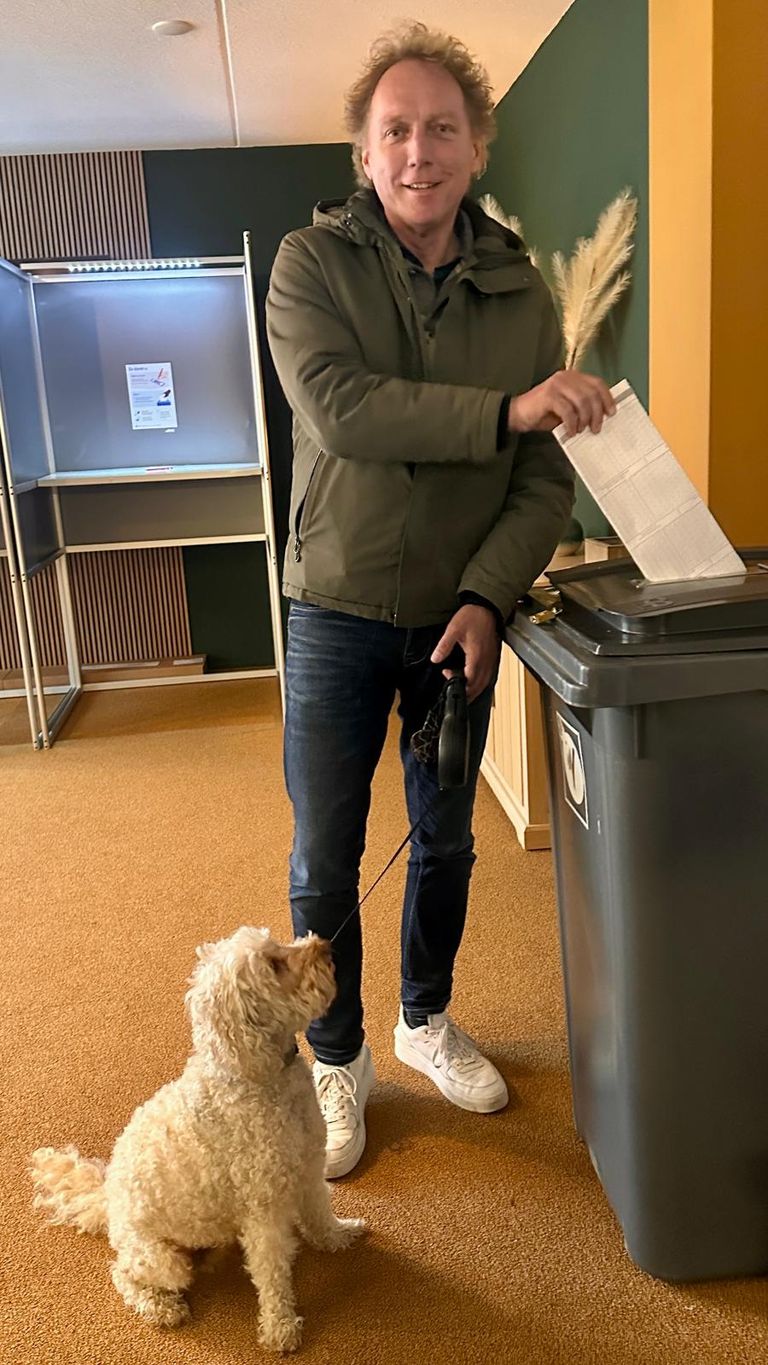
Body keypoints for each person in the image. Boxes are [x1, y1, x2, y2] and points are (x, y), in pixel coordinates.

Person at [266, 22, 615, 1179]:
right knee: (325, 854)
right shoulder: (308, 267)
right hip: (332, 606)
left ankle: (423, 1019)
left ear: (475, 149)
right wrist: (506, 411)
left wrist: (486, 598)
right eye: (396, 130)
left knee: (448, 839)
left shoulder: (522, 293)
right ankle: (337, 1053)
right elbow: (343, 410)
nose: (419, 150)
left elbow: (544, 480)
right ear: (364, 154)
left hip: (458, 618)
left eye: (442, 129)